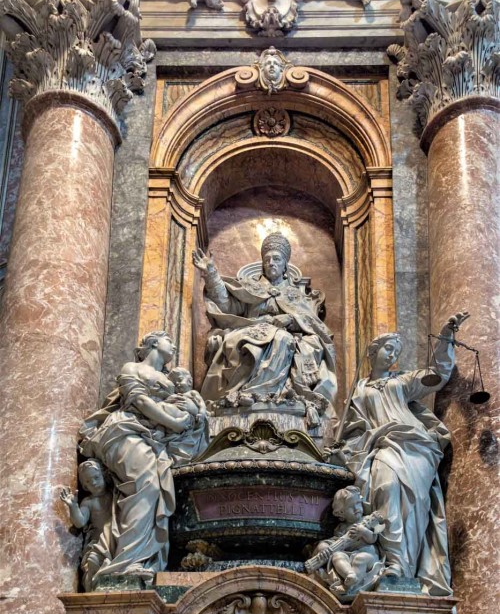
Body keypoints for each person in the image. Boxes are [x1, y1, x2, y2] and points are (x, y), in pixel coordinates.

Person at [327, 312, 469, 596]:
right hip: (380, 445)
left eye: (396, 351)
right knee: (386, 488)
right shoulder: (358, 390)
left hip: (415, 445)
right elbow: (352, 428)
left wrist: (445, 338)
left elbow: (438, 374)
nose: (392, 354)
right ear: (373, 352)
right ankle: (394, 563)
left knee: (412, 509)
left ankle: (401, 568)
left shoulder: (403, 381)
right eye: (388, 348)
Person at [78, 331, 193, 585]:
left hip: (152, 438)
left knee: (153, 489)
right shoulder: (132, 367)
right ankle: (126, 563)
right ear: (153, 344)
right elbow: (138, 400)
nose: (173, 344)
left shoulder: (167, 378)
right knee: (148, 486)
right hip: (124, 431)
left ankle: (138, 560)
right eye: (168, 340)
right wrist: (173, 422)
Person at [192, 231, 337, 426]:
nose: (271, 262)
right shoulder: (251, 289)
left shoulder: (295, 295)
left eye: (276, 258)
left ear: (285, 263)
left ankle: (263, 395)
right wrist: (211, 275)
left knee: (283, 339)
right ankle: (250, 394)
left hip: (286, 337)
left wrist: (291, 319)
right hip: (250, 332)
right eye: (267, 259)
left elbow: (315, 326)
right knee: (258, 340)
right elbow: (227, 307)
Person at [306, 486, 385, 596]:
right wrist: (324, 548)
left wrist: (363, 531)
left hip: (367, 555)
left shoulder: (366, 520)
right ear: (341, 514)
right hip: (348, 556)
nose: (357, 508)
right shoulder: (341, 528)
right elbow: (336, 543)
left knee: (360, 559)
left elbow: (373, 538)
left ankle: (351, 585)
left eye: (358, 503)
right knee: (337, 556)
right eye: (351, 507)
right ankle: (350, 574)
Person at [60, 459, 112, 592]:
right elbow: (80, 522)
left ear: (104, 474)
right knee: (93, 563)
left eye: (96, 477)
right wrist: (73, 507)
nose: (93, 483)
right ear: (84, 485)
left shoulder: (115, 495)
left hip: (115, 541)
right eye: (88, 481)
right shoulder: (88, 502)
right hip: (98, 543)